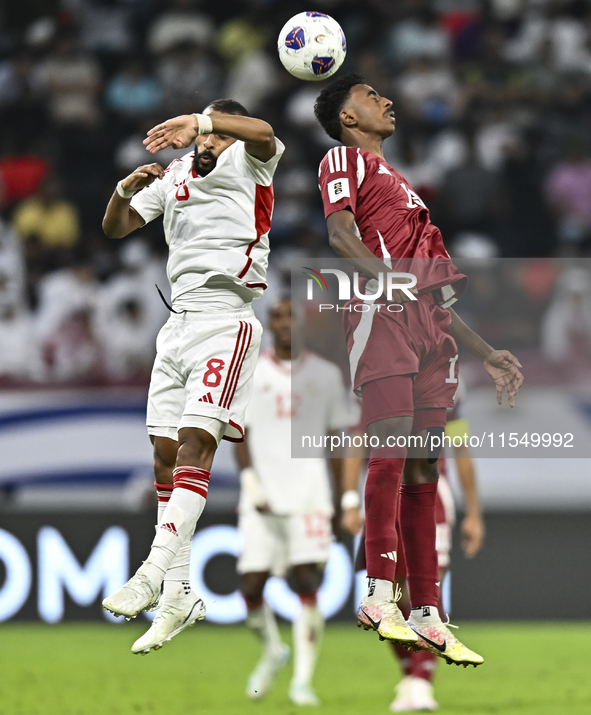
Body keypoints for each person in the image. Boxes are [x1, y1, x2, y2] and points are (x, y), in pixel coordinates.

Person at [314, 72, 522, 665]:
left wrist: (487, 352)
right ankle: (379, 595)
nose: (387, 99)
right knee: (391, 452)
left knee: (425, 468)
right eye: (370, 96)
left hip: (429, 330)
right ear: (348, 118)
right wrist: (391, 284)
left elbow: (438, 296)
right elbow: (338, 235)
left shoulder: (406, 188)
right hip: (381, 312)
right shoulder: (343, 160)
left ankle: (428, 611)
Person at [100, 99, 284, 655]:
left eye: (212, 135)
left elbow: (264, 130)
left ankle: (153, 571)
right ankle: (179, 595)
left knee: (198, 442)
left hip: (226, 320)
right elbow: (117, 228)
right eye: (201, 136)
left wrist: (204, 122)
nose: (203, 144)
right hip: (176, 322)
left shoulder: (253, 163)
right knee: (163, 452)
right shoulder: (176, 175)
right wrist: (122, 190)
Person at [235, 296, 349, 706]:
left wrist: (342, 499)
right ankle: (272, 651)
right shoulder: (250, 373)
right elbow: (239, 435)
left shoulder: (327, 375)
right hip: (263, 497)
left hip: (310, 495)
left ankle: (302, 681)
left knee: (306, 582)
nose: (284, 324)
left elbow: (339, 443)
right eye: (277, 317)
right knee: (250, 586)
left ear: (305, 325)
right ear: (269, 324)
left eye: (291, 317)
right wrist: (250, 481)